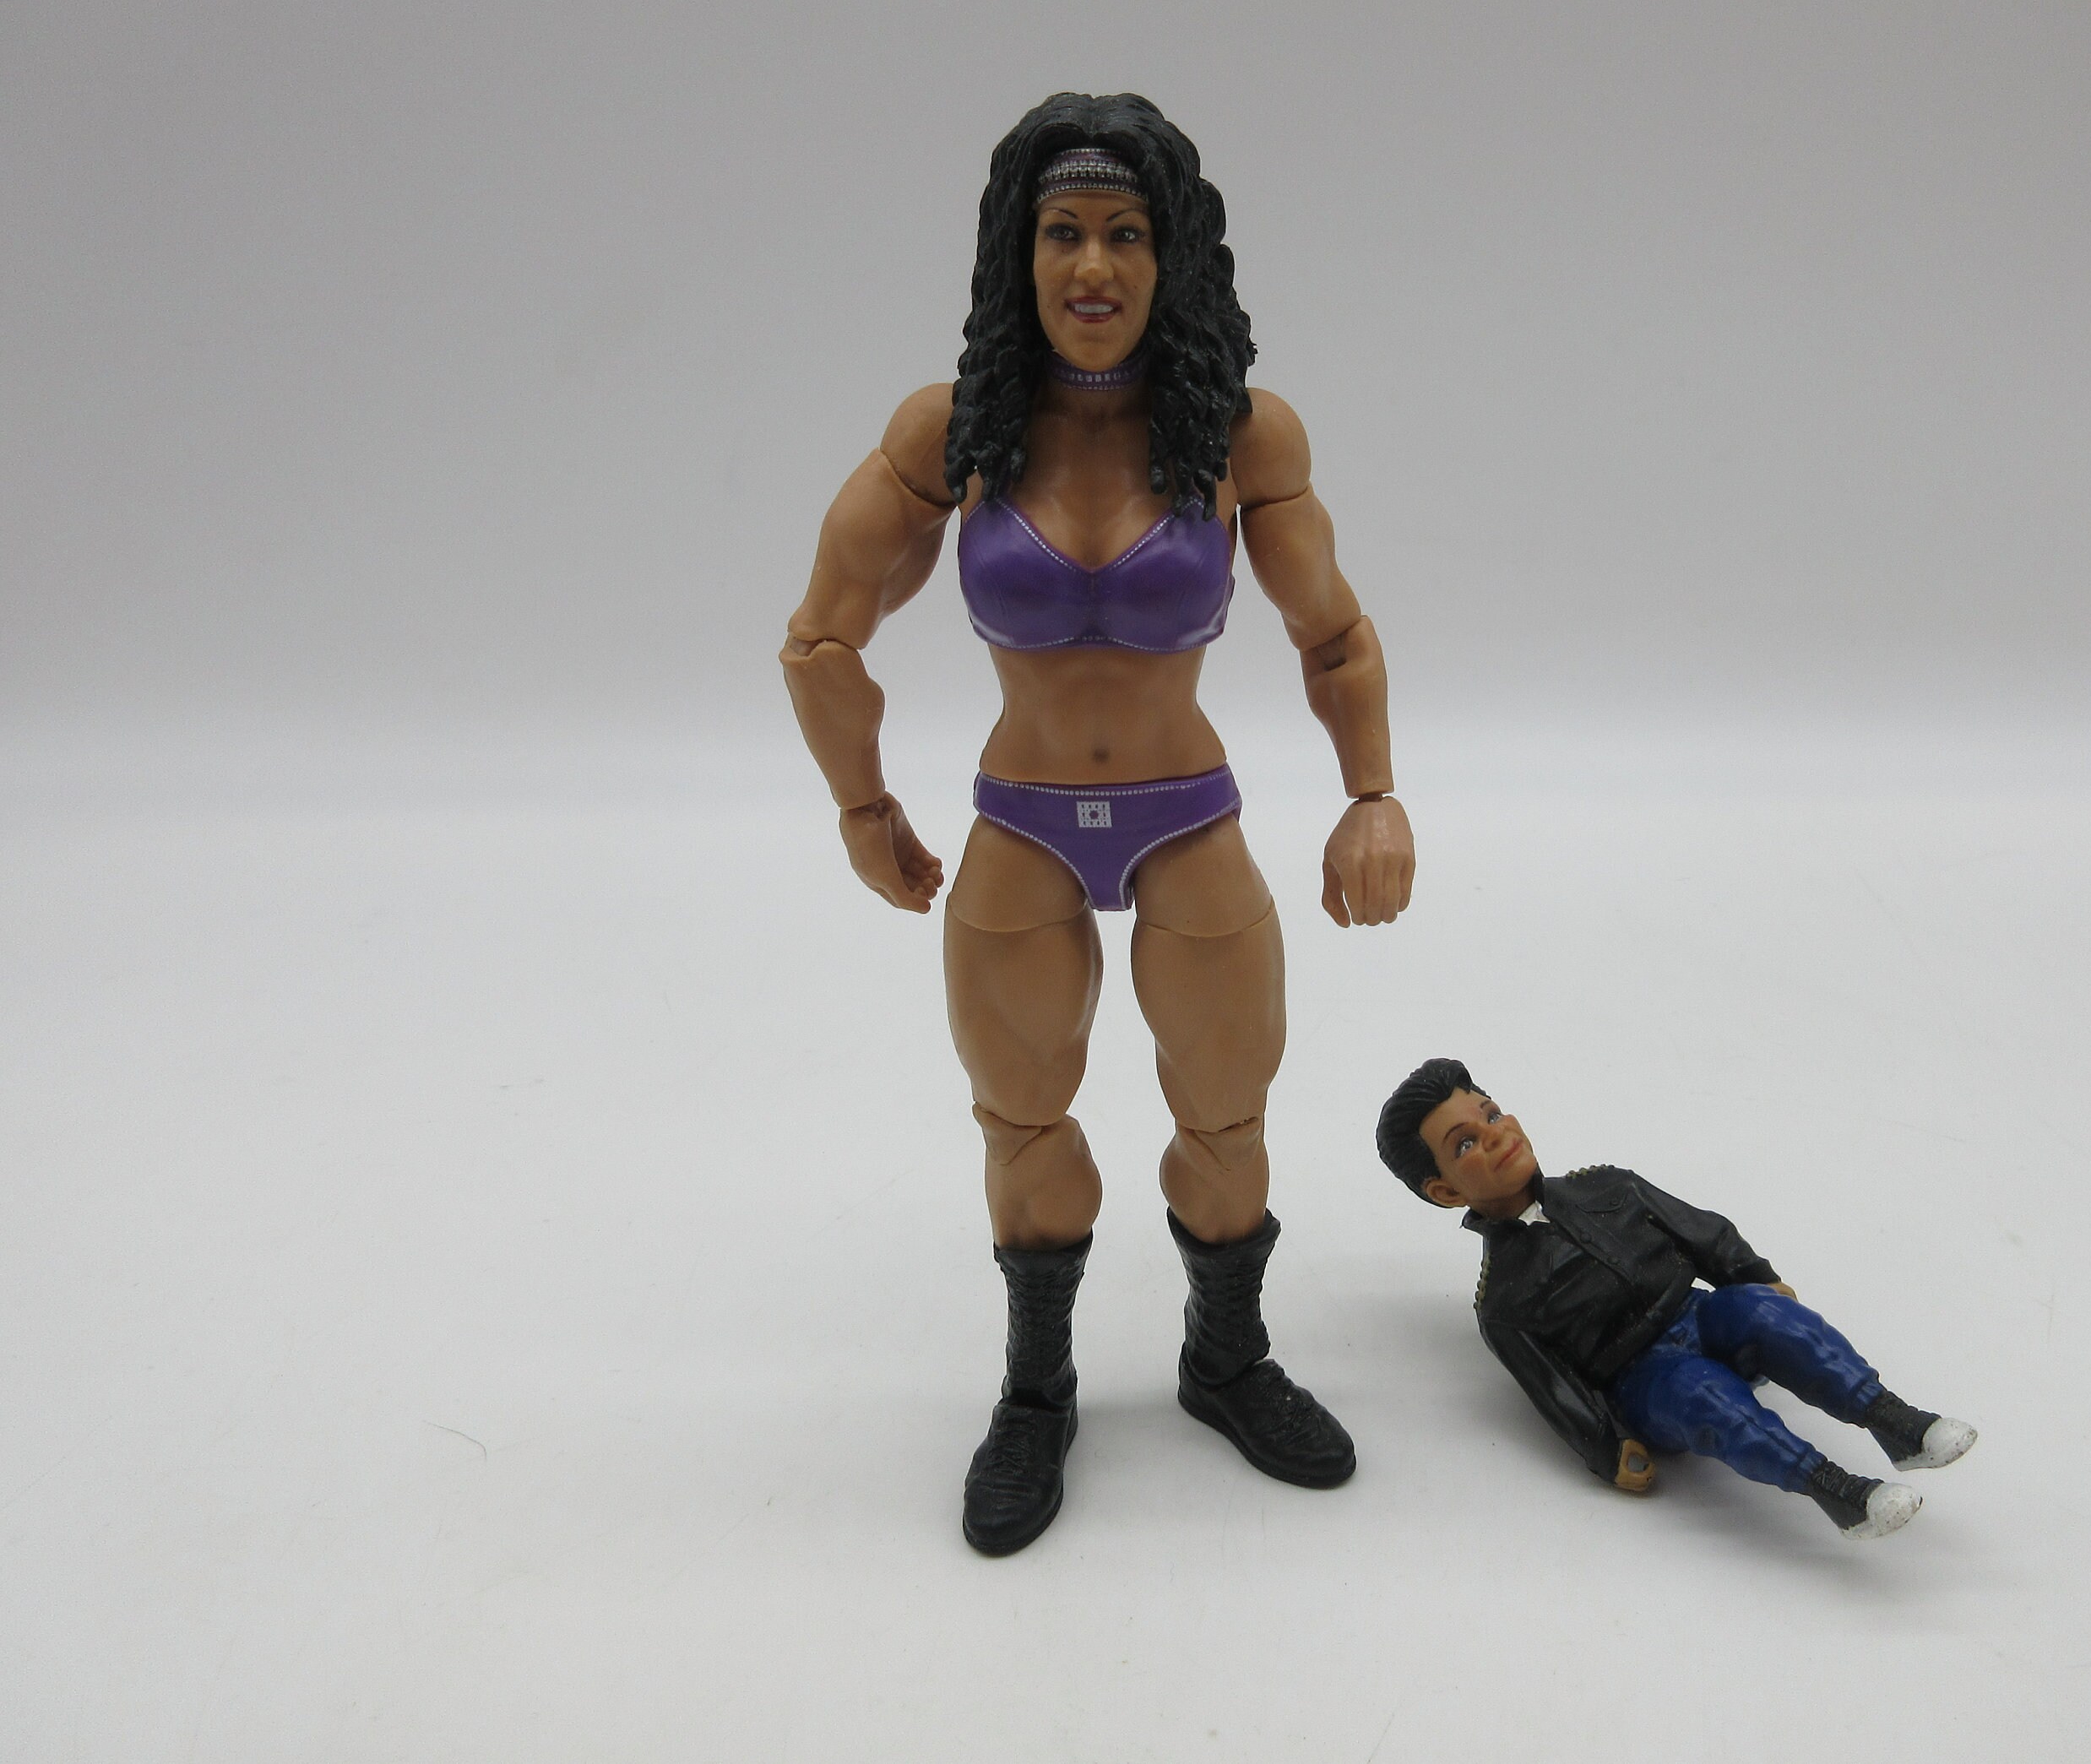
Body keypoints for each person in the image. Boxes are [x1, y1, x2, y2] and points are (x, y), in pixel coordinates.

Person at [784, 95, 1415, 1555]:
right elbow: (821, 637)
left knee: (1227, 1115)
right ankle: (1036, 1391)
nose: (1092, 265)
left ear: (1168, 256)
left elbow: (1334, 633)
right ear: (1018, 254)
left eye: (1125, 234)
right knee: (1022, 1122)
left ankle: (1227, 1359)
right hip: (1020, 822)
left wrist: (1373, 796)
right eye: (1062, 231)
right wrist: (861, 805)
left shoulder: (1238, 433)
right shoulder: (956, 433)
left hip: (1185, 816)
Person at [1374, 1058, 1976, 1539]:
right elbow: (1557, 1393)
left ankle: (1896, 1423)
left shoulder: (1607, 1185)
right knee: (1703, 1394)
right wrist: (1611, 1450)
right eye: (1465, 1145)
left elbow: (1701, 1230)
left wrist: (1753, 1275)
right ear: (1445, 1191)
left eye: (1491, 1112)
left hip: (1699, 1313)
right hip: (1643, 1374)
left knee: (1764, 1314)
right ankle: (1839, 1492)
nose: (1496, 1135)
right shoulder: (1504, 1303)